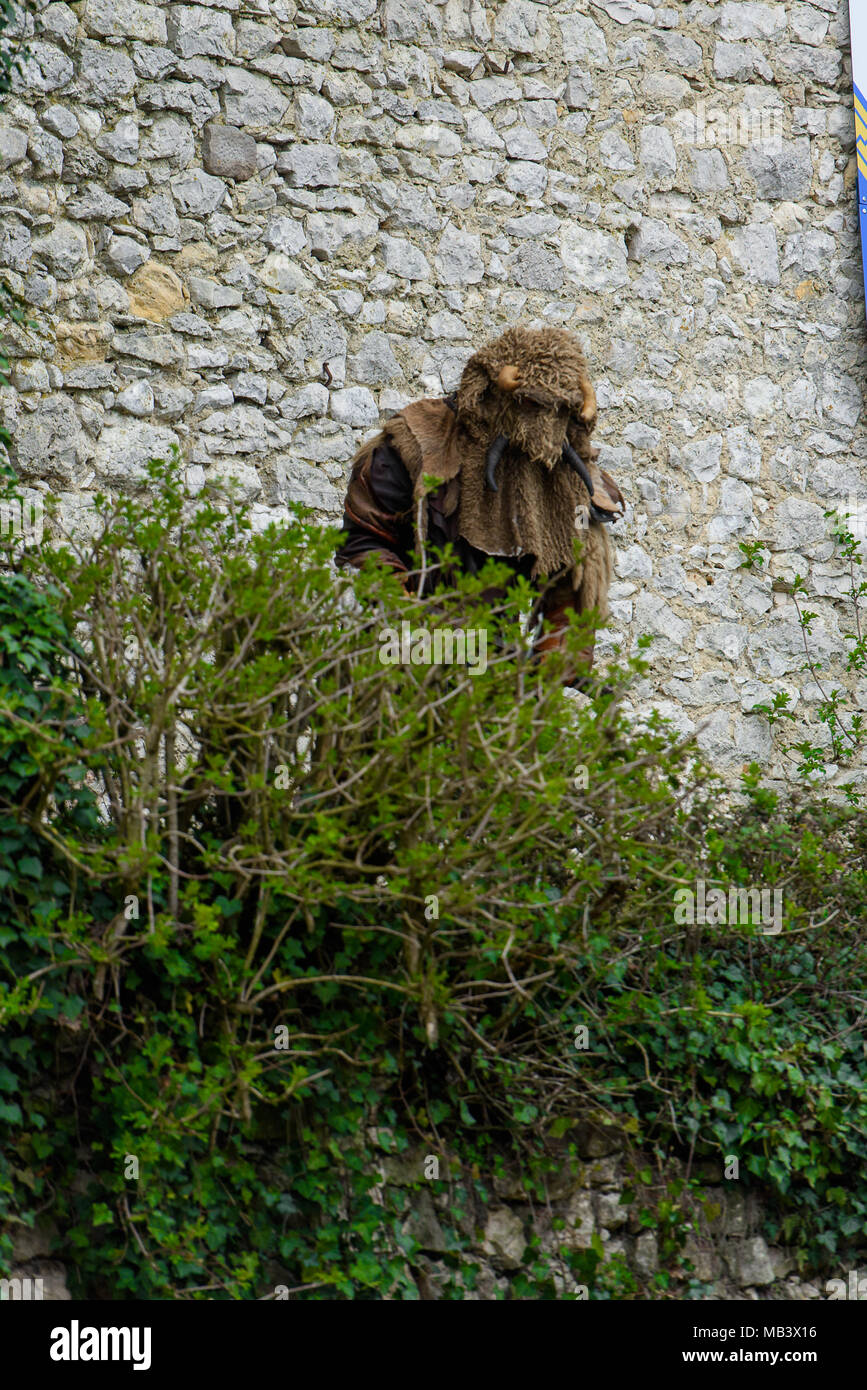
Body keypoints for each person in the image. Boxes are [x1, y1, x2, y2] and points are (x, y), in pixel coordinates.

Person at [334, 324, 624, 686]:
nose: (544, 427)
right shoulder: (418, 446)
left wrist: (554, 663)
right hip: (407, 653)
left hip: (497, 670)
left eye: (558, 412)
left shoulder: (563, 475)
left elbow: (571, 578)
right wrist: (403, 607)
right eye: (531, 406)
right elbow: (366, 539)